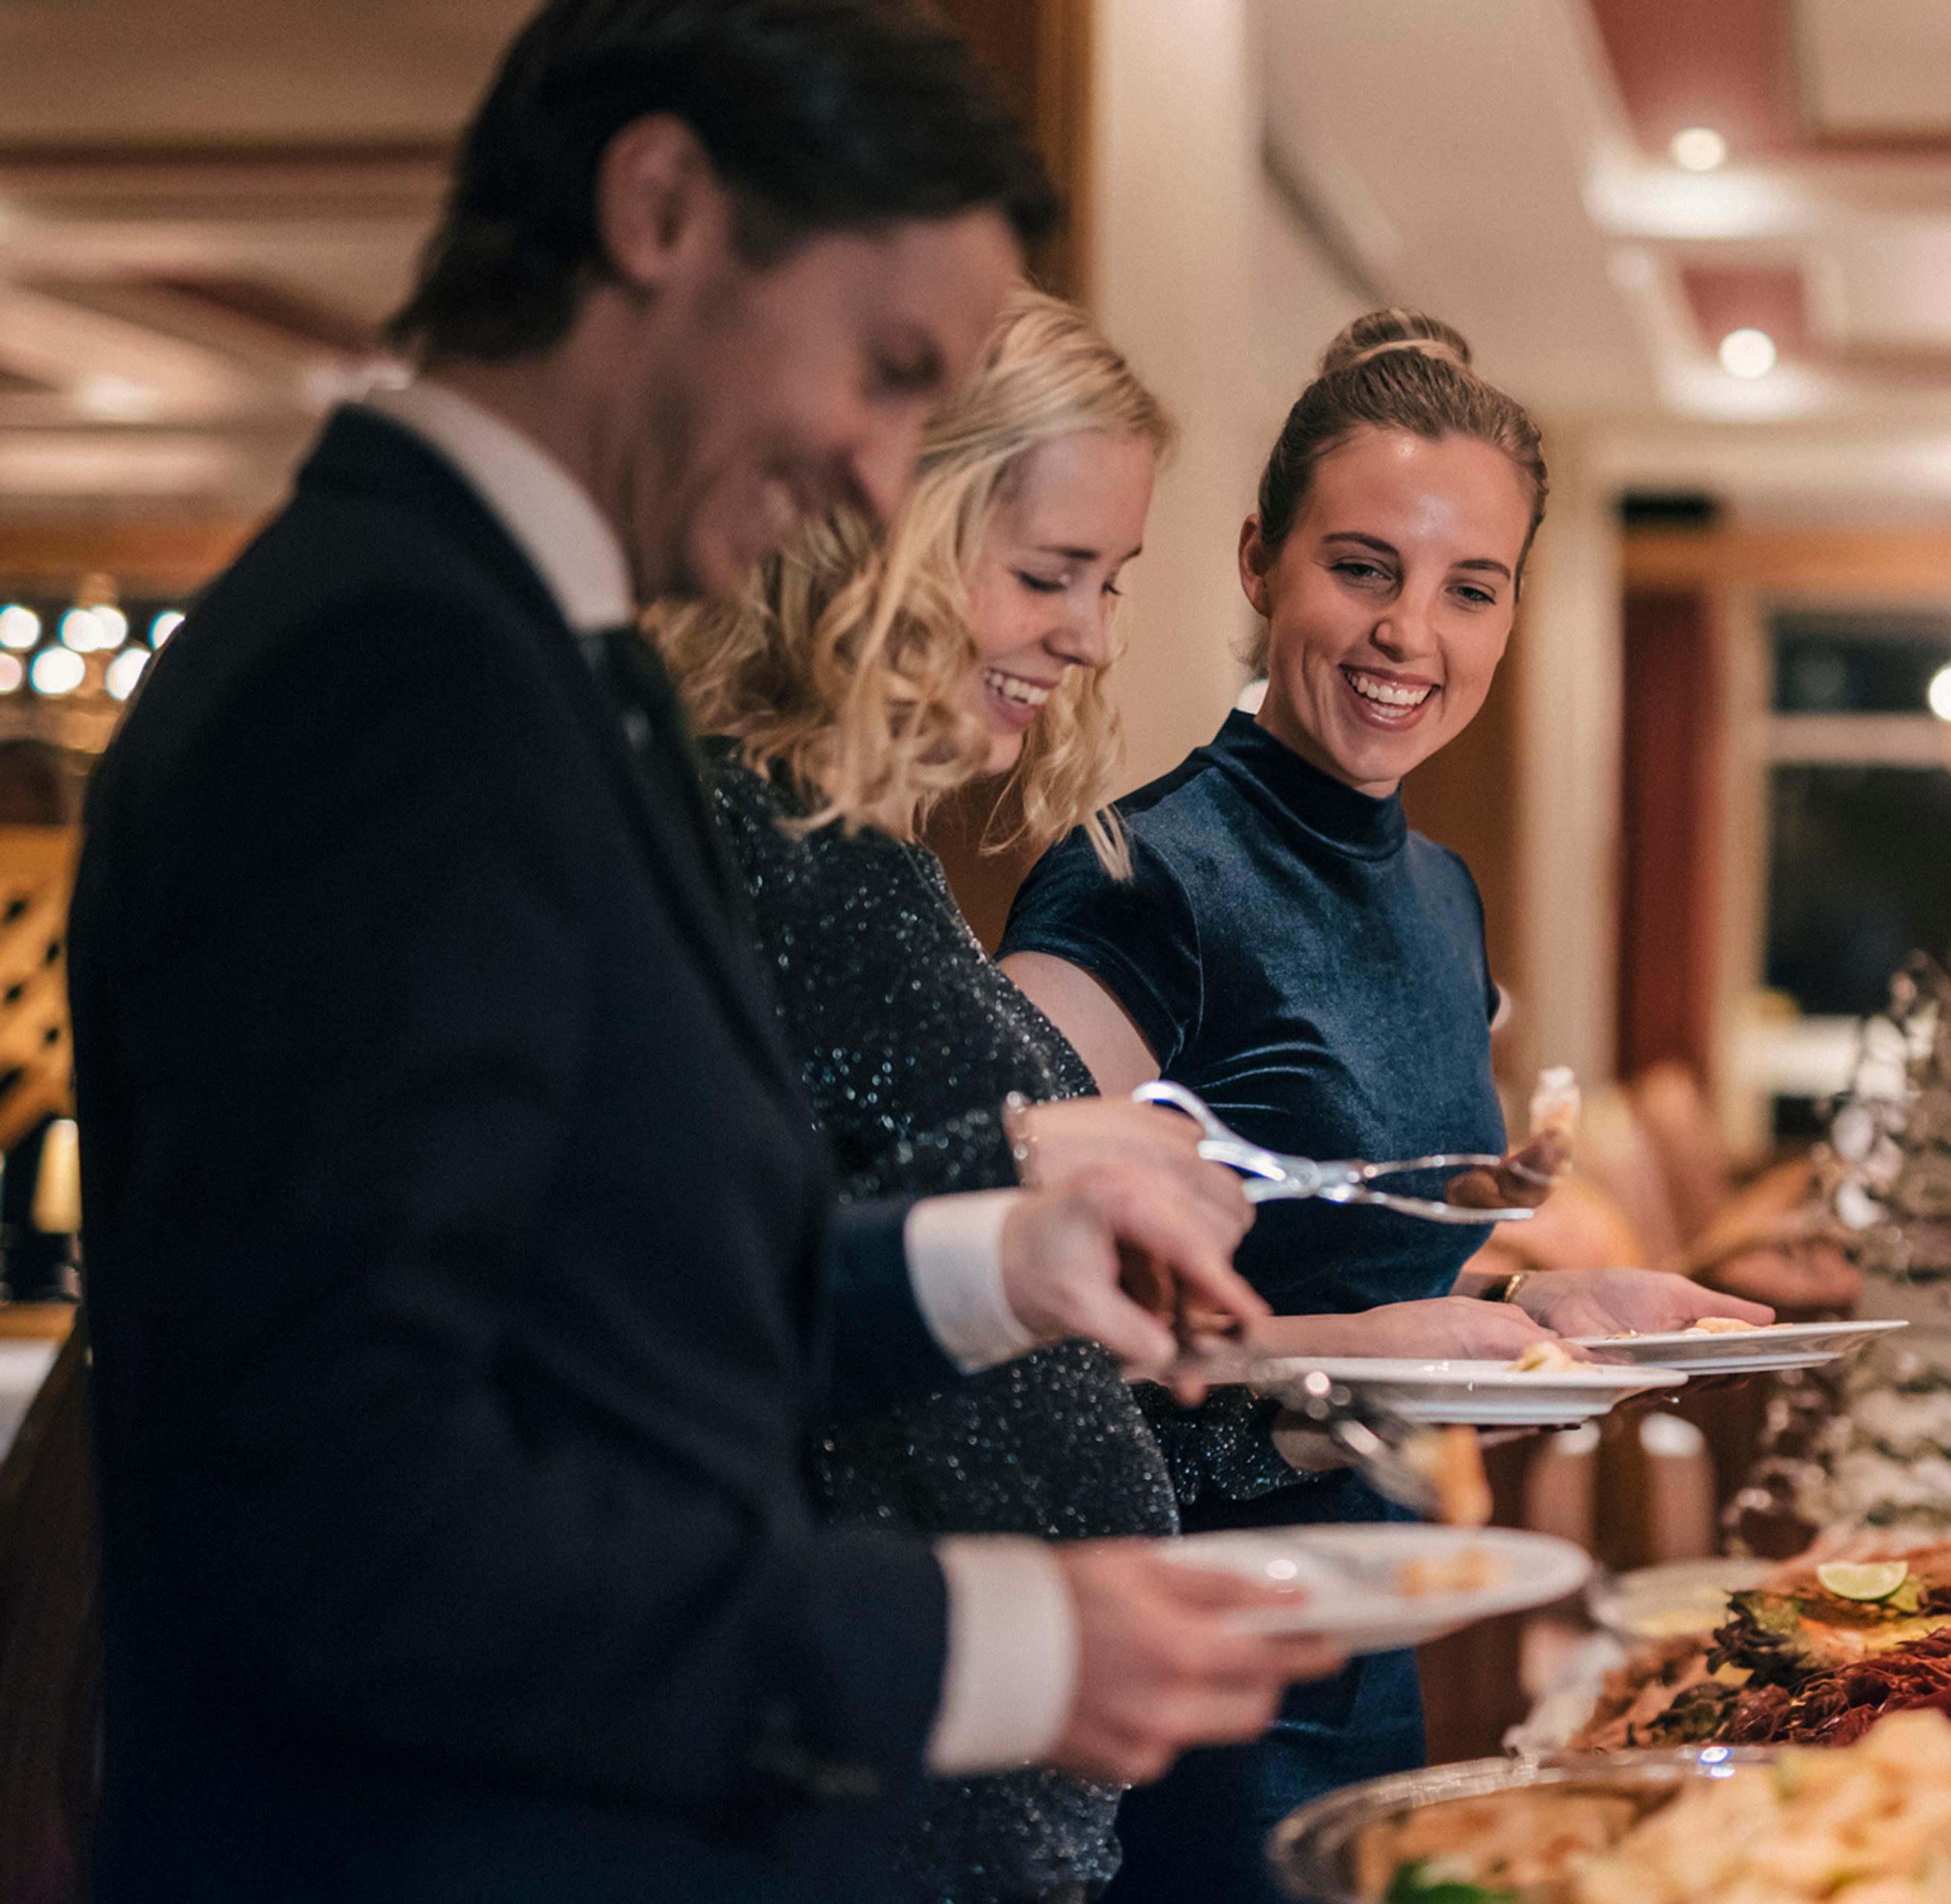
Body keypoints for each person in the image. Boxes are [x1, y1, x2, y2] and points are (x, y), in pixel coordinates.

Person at [67, 7, 1332, 1900]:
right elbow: (350, 1512)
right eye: (888, 371)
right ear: (659, 208)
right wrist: (996, 1646)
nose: (876, 474)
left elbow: (613, 1302)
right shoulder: (388, 678)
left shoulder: (558, 667)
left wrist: (989, 1257)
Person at [1000, 309, 1770, 1902]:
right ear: (1256, 561)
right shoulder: (1144, 886)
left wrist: (1533, 1297)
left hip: (1380, 1627)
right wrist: (1327, 1376)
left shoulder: (1441, 895)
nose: (1409, 632)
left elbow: (1355, 1267)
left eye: (1467, 587)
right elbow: (1003, 1343)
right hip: (1181, 1668)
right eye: (1363, 568)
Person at [655, 290, 1312, 1902]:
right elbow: (710, 1316)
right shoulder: (724, 851)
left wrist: (1314, 1407)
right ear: (880, 530)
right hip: (860, 1798)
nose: (1091, 635)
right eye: (1047, 574)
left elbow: (1004, 1343)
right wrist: (1017, 1161)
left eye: (1111, 582)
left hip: (1006, 1792)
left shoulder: (873, 855)